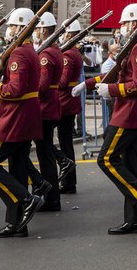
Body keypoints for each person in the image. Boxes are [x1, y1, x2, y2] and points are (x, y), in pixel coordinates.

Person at [94, 3, 137, 234]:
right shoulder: (136, 46)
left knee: (106, 159)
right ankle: (135, 220)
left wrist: (111, 90)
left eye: (124, 23)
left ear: (134, 23)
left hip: (129, 114)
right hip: (132, 112)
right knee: (131, 165)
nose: (121, 27)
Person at [0, 7, 44, 238]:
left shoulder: (19, 54)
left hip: (15, 117)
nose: (9, 30)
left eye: (12, 26)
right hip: (25, 116)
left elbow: (14, 89)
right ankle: (17, 223)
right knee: (17, 168)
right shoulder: (27, 51)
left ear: (21, 28)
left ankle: (25, 200)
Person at [27, 11, 72, 212]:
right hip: (51, 106)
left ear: (44, 29)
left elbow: (42, 86)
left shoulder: (46, 54)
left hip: (44, 107)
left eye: (37, 29)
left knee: (45, 155)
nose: (35, 32)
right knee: (45, 152)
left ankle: (50, 197)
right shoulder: (53, 50)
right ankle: (51, 196)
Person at [58, 20, 84, 193]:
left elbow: (63, 82)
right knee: (65, 142)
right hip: (68, 100)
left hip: (64, 101)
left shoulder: (68, 54)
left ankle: (68, 182)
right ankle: (70, 182)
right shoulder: (74, 51)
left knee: (64, 143)